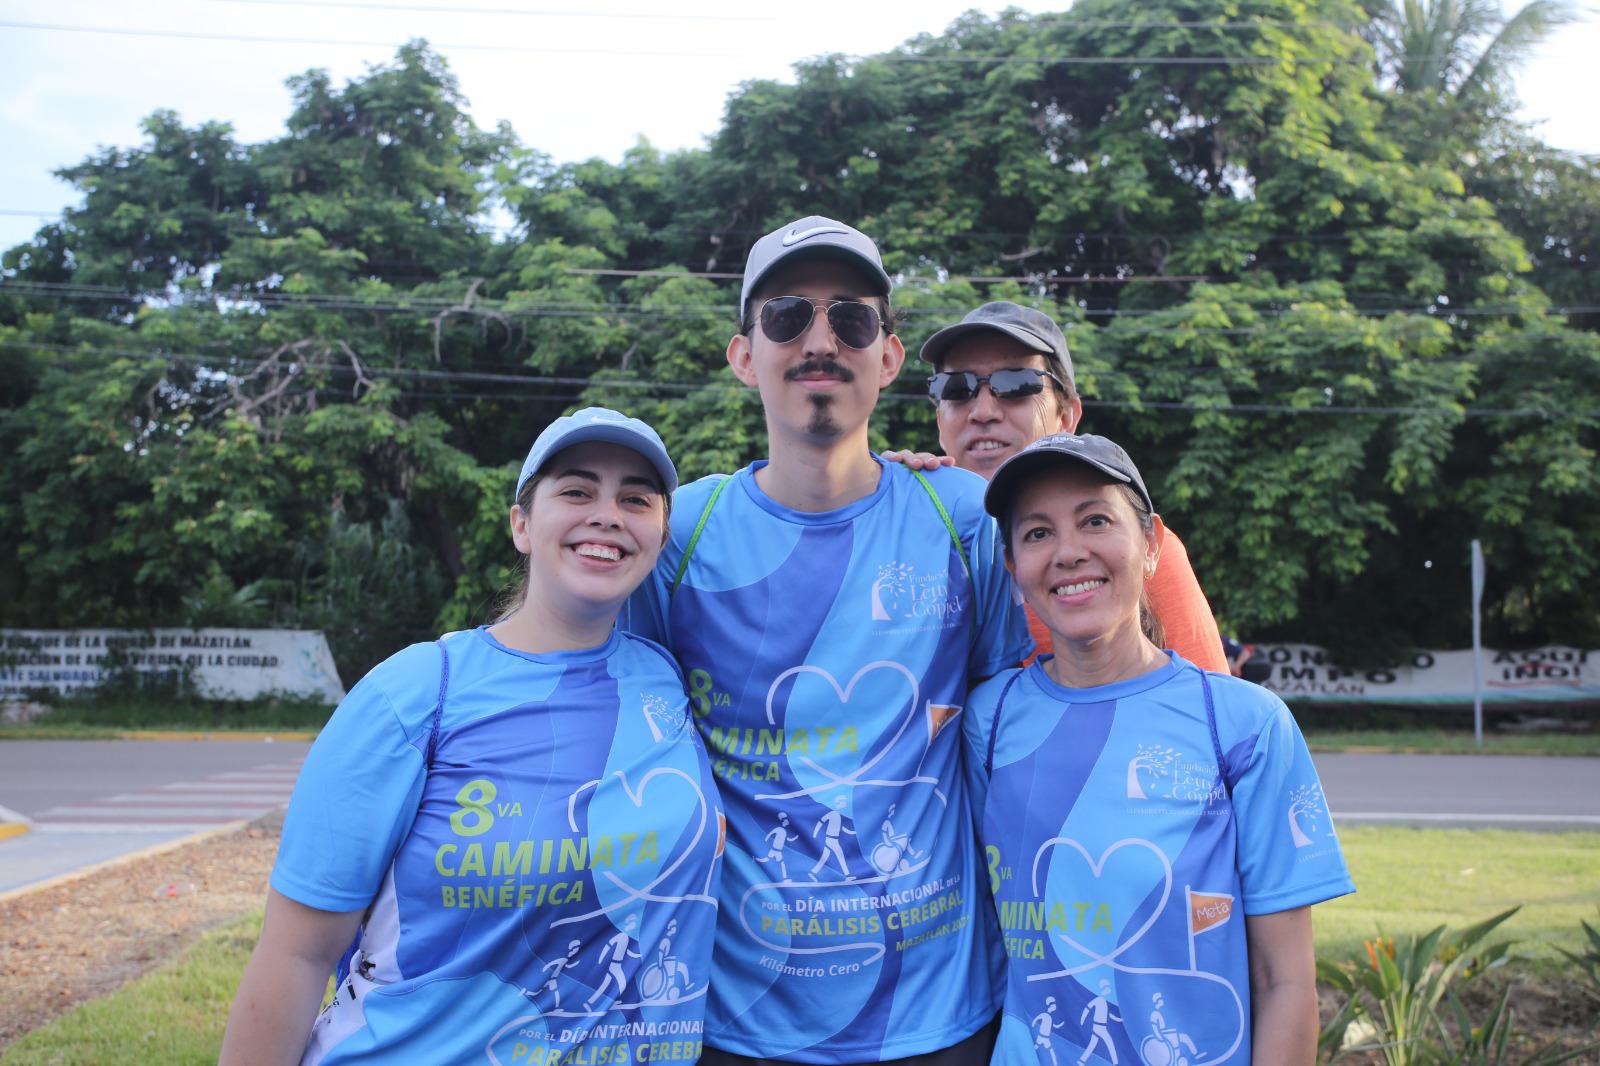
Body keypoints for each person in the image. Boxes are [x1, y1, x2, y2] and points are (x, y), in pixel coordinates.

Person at [624, 216, 1031, 1064]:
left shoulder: (961, 520)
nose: (820, 341)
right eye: (786, 317)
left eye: (851, 319)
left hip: (938, 1024)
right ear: (743, 356)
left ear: (887, 357)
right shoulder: (679, 534)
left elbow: (1024, 718)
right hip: (735, 1023)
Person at [220, 408, 725, 1066]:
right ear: (521, 523)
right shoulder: (414, 694)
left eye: (635, 498)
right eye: (576, 491)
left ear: (660, 538)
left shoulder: (665, 678)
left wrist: (902, 476)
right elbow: (296, 952)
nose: (606, 513)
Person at [963, 432, 1354, 1066]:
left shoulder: (1245, 724)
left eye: (1095, 520)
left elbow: (1285, 982)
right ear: (1012, 567)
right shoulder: (989, 720)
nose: (1068, 552)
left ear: (1149, 545)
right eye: (1036, 534)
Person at [885, 301, 1228, 673]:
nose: (983, 412)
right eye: (956, 388)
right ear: (940, 419)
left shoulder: (1129, 553)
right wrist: (871, 508)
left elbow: (1210, 716)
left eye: (1015, 384)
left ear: (1067, 416)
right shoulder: (904, 536)